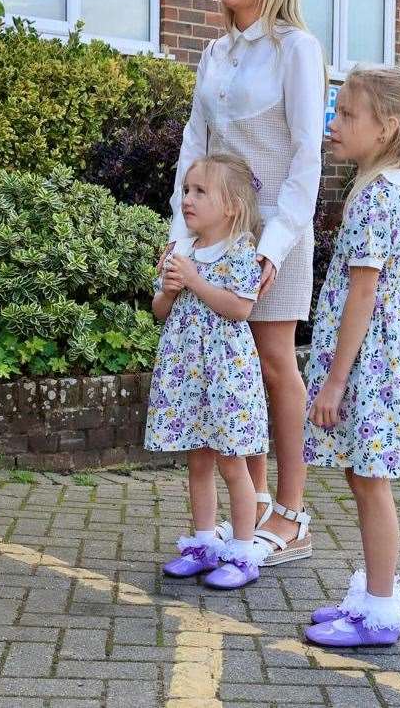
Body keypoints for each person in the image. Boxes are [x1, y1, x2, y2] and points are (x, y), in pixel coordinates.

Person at [167, 0, 324, 566]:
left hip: (276, 231)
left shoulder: (296, 49)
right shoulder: (215, 53)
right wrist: (181, 238)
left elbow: (308, 154)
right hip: (216, 235)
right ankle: (250, 504)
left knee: (272, 362)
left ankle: (290, 514)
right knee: (231, 368)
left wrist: (274, 247)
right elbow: (193, 148)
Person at [301, 66, 400, 648]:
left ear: (387, 128)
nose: (333, 125)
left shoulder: (379, 195)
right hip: (381, 354)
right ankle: (373, 590)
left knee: (370, 480)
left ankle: (382, 608)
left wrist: (334, 383)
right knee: (363, 476)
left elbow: (364, 293)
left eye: (345, 115)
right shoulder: (383, 187)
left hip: (371, 360)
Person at [149, 154, 268, 590]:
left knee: (232, 461)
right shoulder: (181, 250)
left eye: (200, 192)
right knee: (197, 459)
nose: (188, 199)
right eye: (186, 190)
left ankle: (242, 551)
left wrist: (195, 281)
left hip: (225, 374)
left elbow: (239, 308)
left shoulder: (241, 251)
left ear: (232, 205)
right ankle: (202, 544)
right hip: (187, 370)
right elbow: (160, 311)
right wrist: (170, 290)